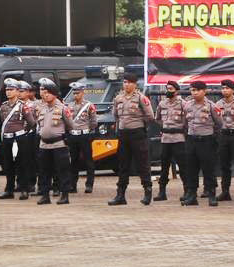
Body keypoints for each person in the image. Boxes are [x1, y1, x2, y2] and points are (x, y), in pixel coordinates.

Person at [109, 71, 154, 206]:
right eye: (124, 82)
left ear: (134, 84)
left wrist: (139, 124)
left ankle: (147, 192)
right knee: (123, 165)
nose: (126, 85)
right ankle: (120, 195)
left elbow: (150, 116)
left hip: (137, 134)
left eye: (129, 82)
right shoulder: (118, 98)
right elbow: (115, 115)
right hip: (123, 135)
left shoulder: (141, 98)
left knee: (142, 164)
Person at [33, 78, 75, 205]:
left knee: (62, 171)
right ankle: (45, 195)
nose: (45, 95)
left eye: (48, 93)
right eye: (44, 93)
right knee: (44, 171)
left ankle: (64, 195)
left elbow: (70, 126)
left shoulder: (63, 108)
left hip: (59, 144)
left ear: (54, 94)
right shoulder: (41, 108)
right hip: (44, 145)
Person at [181, 82, 221, 206]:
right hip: (192, 140)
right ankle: (192, 196)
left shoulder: (211, 106)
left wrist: (211, 136)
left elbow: (219, 123)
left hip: (206, 140)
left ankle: (212, 195)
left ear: (205, 91)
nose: (195, 92)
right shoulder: (187, 106)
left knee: (208, 169)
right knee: (191, 169)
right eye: (192, 90)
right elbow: (185, 123)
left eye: (198, 90)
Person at [0, 79, 28, 199]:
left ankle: (24, 189)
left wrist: (22, 132)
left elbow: (31, 122)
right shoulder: (3, 106)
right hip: (7, 139)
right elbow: (2, 122)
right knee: (8, 165)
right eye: (7, 89)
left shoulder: (23, 106)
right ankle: (9, 190)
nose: (8, 92)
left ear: (18, 91)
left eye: (11, 89)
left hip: (19, 138)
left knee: (22, 164)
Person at [154, 81, 185, 201]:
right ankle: (162, 192)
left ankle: (187, 191)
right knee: (164, 167)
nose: (168, 91)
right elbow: (158, 119)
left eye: (171, 89)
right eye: (167, 88)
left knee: (183, 167)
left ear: (176, 91)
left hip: (178, 138)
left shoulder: (183, 104)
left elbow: (187, 120)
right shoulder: (162, 104)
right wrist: (166, 127)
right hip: (166, 139)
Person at [67, 83, 98, 194]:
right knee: (73, 161)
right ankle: (72, 185)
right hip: (73, 136)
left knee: (88, 160)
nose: (76, 95)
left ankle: (89, 185)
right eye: (74, 93)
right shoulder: (69, 106)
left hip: (84, 135)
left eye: (78, 93)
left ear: (83, 93)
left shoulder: (89, 105)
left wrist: (88, 131)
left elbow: (94, 122)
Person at [15, 80, 41, 200]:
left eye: (22, 91)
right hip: (17, 134)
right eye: (18, 91)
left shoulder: (34, 105)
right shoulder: (15, 104)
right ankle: (19, 182)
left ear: (27, 92)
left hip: (30, 134)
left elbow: (37, 120)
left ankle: (31, 183)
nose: (20, 94)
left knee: (31, 160)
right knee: (18, 159)